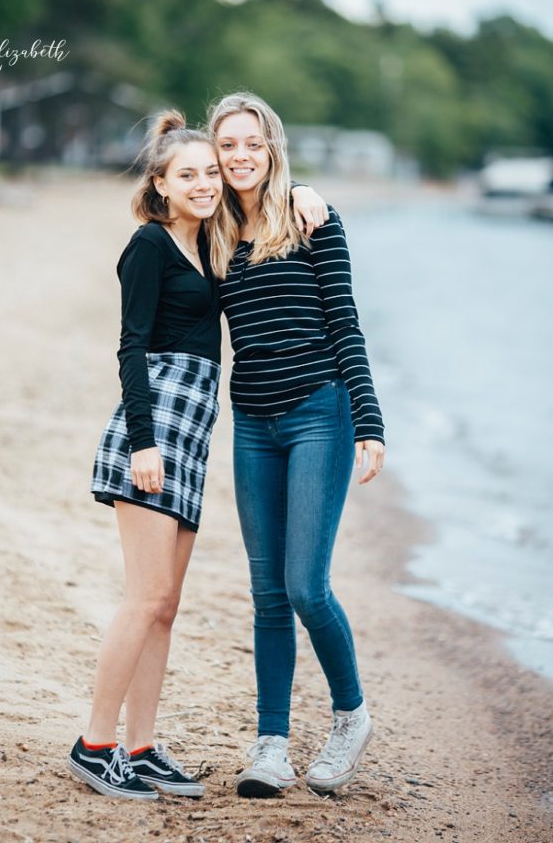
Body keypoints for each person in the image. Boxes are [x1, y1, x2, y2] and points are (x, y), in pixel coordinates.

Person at [68, 110, 326, 802]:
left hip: (193, 431)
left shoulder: (211, 240)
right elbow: (130, 346)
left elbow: (266, 202)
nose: (207, 182)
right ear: (160, 183)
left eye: (211, 171)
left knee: (167, 604)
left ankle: (142, 746)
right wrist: (144, 443)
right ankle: (95, 744)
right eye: (189, 174)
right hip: (150, 432)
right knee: (144, 597)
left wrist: (305, 194)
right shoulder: (147, 246)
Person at [208, 92, 385, 798]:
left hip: (320, 412)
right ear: (215, 155)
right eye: (228, 146)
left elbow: (345, 324)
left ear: (272, 148)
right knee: (265, 592)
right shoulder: (210, 232)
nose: (240, 156)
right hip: (251, 424)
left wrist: (368, 422)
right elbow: (160, 195)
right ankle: (271, 746)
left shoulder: (312, 218)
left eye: (252, 143)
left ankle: (350, 715)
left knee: (305, 585)